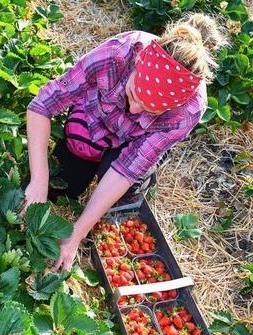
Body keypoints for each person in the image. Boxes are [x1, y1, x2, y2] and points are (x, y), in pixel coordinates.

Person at [23, 14, 226, 271]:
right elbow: (42, 105)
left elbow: (128, 168)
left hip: (134, 142)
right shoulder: (117, 54)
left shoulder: (188, 110)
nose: (134, 107)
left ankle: (137, 175)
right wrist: (39, 181)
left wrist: (76, 234)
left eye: (150, 110)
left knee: (123, 191)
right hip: (98, 119)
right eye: (132, 93)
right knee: (64, 184)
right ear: (137, 64)